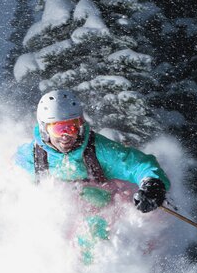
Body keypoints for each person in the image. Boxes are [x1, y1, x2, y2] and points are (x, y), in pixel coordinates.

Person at [15, 89, 170, 263]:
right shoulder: (33, 156)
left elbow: (137, 164)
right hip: (58, 219)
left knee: (90, 232)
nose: (66, 135)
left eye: (72, 126)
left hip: (104, 213)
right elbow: (8, 183)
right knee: (43, 233)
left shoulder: (98, 150)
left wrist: (152, 184)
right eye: (59, 128)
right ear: (44, 128)